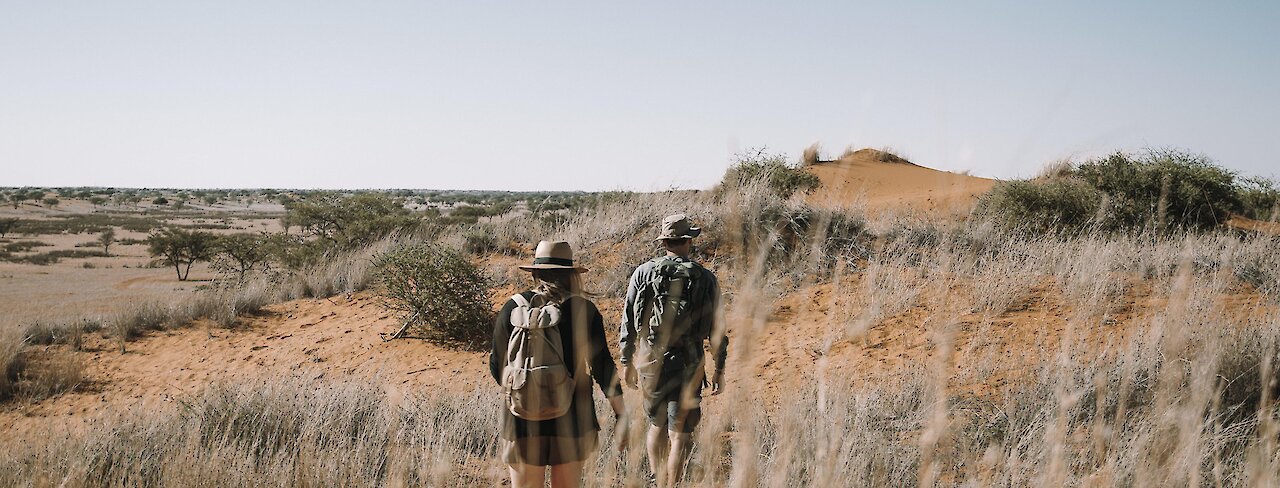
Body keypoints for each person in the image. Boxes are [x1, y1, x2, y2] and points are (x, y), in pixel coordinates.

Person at [490, 240, 625, 488]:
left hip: (520, 418)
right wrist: (621, 413)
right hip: (572, 417)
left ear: (535, 273)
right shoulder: (584, 310)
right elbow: (604, 369)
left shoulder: (513, 307)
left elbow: (496, 365)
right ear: (571, 274)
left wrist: (527, 389)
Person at [620, 214, 728, 487]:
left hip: (650, 361)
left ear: (665, 241)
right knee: (679, 433)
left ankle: (658, 481)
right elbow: (717, 329)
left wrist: (626, 360)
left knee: (656, 425)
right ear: (688, 240)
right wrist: (720, 368)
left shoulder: (643, 273)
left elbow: (628, 320)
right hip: (688, 362)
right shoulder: (705, 277)